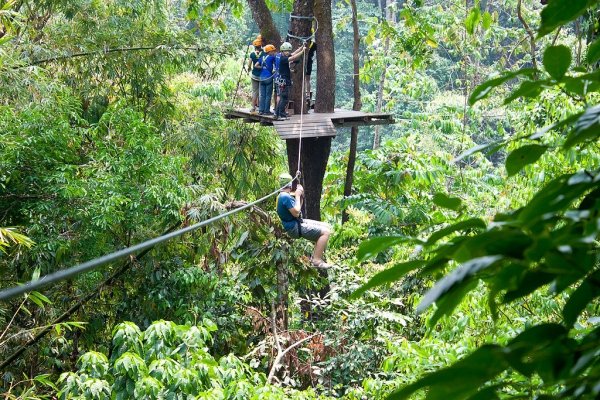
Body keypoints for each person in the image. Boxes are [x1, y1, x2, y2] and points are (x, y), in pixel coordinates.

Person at [276, 173, 332, 269]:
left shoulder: (282, 196)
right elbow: (296, 213)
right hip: (294, 228)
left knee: (326, 226)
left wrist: (300, 196)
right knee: (325, 233)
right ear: (290, 184)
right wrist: (297, 195)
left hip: (296, 223)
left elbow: (297, 208)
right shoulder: (284, 197)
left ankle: (315, 254)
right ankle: (316, 260)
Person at [273, 42, 305, 120]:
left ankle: (277, 114)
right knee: (284, 98)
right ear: (282, 51)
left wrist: (301, 47)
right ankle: (281, 114)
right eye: (286, 51)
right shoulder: (283, 59)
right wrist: (302, 52)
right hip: (283, 80)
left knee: (282, 97)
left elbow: (293, 53)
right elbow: (293, 58)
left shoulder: (283, 55)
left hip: (282, 79)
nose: (287, 52)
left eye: (288, 51)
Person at [258, 44, 277, 115]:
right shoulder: (272, 57)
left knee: (262, 95)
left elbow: (256, 65)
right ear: (269, 51)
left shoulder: (262, 57)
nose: (274, 52)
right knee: (268, 95)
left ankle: (261, 110)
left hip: (261, 78)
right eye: (273, 51)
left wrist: (263, 68)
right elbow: (276, 65)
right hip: (268, 77)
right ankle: (266, 111)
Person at [249, 37, 263, 114]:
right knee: (261, 92)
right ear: (261, 46)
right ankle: (260, 108)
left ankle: (253, 107)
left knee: (255, 91)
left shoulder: (252, 54)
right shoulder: (264, 53)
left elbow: (249, 64)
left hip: (254, 74)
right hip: (261, 75)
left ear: (254, 46)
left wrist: (248, 69)